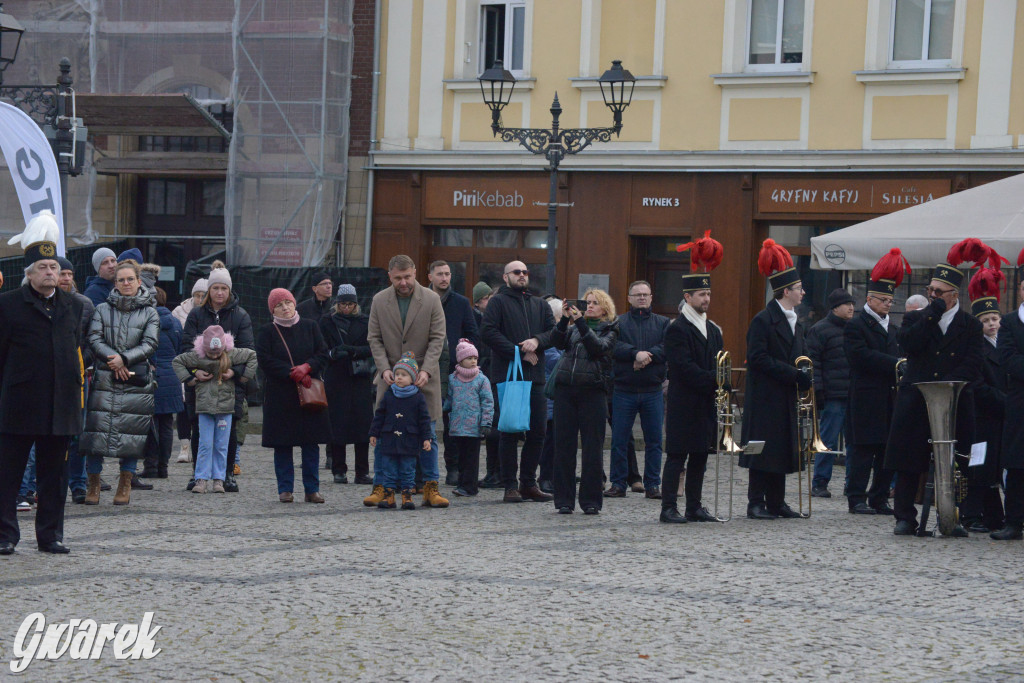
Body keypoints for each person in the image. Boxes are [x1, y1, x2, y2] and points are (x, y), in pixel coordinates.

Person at [885, 242, 984, 537]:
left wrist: (946, 386)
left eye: (939, 292)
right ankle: (905, 516)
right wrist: (932, 314)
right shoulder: (916, 317)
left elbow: (973, 363)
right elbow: (909, 344)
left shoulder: (970, 325)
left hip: (953, 400)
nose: (933, 295)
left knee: (957, 461)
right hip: (917, 398)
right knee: (908, 459)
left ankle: (952, 516)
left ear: (954, 295)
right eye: (930, 290)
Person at [0, 213, 84, 555]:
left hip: (60, 405)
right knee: (7, 475)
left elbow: (75, 348)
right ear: (30, 273)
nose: (51, 272)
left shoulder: (74, 306)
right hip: (18, 405)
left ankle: (50, 536)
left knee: (55, 477)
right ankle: (5, 535)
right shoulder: (7, 305)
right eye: (43, 267)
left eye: (54, 267)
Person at [364, 255, 449, 508]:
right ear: (390, 276)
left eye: (408, 277)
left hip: (424, 380)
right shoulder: (379, 300)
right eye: (398, 278)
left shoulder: (431, 299)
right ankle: (381, 487)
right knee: (383, 436)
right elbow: (374, 338)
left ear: (415, 273)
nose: (403, 282)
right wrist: (383, 368)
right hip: (390, 378)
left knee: (429, 436)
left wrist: (427, 370)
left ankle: (430, 488)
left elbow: (438, 338)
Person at [80, 259, 160, 506]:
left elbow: (150, 343)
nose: (126, 283)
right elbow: (94, 338)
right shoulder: (102, 309)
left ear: (138, 281)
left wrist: (125, 359)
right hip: (105, 377)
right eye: (121, 280)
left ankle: (125, 482)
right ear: (115, 283)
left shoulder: (150, 312)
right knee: (96, 433)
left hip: (135, 380)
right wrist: (113, 359)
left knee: (131, 434)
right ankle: (93, 482)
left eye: (130, 279)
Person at [740, 239, 810, 520]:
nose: (803, 292)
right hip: (765, 396)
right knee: (762, 450)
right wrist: (793, 374)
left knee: (781, 449)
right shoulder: (763, 320)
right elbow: (757, 358)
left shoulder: (797, 323)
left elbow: (801, 356)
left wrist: (806, 374)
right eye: (799, 288)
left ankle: (777, 502)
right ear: (786, 291)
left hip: (785, 396)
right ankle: (755, 502)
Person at [480, 261, 557, 503]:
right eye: (516, 272)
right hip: (508, 375)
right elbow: (488, 332)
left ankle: (528, 483)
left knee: (538, 432)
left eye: (525, 272)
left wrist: (537, 340)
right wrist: (518, 350)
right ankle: (510, 485)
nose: (522, 275)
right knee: (510, 431)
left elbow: (553, 332)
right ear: (506, 277)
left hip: (536, 377)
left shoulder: (540, 304)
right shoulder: (498, 302)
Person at [662, 233, 725, 524]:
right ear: (688, 297)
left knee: (701, 456)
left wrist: (723, 379)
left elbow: (719, 362)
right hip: (683, 402)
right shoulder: (678, 328)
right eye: (701, 294)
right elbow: (682, 367)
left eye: (708, 294)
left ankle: (694, 506)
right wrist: (715, 379)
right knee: (677, 457)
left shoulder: (712, 329)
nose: (706, 299)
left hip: (705, 403)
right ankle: (668, 508)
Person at [844, 249, 905, 516]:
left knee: (886, 451)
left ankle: (879, 497)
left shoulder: (893, 328)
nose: (888, 304)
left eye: (891, 300)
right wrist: (895, 363)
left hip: (890, 397)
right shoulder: (857, 325)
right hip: (866, 397)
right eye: (883, 299)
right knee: (863, 450)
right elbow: (860, 356)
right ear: (869, 299)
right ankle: (856, 497)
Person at [182, 266, 254, 492]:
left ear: (229, 290)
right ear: (209, 290)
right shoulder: (196, 315)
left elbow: (248, 349)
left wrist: (235, 372)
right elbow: (185, 348)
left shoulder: (240, 315)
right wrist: (194, 372)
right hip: (202, 384)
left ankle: (226, 474)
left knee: (229, 431)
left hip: (229, 384)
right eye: (215, 288)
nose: (220, 292)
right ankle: (198, 474)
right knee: (199, 429)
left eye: (224, 288)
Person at [256, 288, 332, 503]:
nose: (285, 308)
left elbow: (322, 353)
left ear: (294, 303)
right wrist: (291, 372)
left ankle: (312, 489)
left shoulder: (310, 326)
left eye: (288, 302)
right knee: (283, 444)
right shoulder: (267, 331)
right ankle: (285, 489)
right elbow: (264, 360)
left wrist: (307, 367)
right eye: (279, 305)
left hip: (309, 393)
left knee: (311, 443)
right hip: (281, 395)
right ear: (272, 310)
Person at [548, 289, 618, 514]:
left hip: (593, 392)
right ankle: (564, 500)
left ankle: (590, 501)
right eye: (587, 302)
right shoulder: (573, 328)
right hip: (566, 391)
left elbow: (598, 348)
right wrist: (564, 320)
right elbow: (556, 342)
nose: (590, 306)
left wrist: (580, 323)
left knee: (592, 449)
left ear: (605, 308)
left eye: (595, 303)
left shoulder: (611, 329)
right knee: (563, 447)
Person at [174, 325, 257, 494]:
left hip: (225, 408)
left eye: (217, 353)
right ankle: (201, 478)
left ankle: (219, 478)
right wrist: (191, 377)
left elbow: (252, 356)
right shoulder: (197, 356)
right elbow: (177, 362)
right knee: (204, 444)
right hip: (204, 407)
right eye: (210, 353)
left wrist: (239, 376)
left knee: (221, 445)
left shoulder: (232, 354)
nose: (213, 356)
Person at [608, 280, 669, 499]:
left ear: (651, 297)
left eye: (645, 294)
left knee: (654, 441)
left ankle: (653, 484)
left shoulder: (663, 323)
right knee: (619, 440)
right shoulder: (618, 322)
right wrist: (635, 353)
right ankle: (618, 483)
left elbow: (667, 347)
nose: (642, 297)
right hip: (624, 389)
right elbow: (613, 346)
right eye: (637, 294)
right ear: (629, 298)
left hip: (653, 390)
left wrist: (645, 357)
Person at [960, 266, 1007, 532]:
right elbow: (977, 386)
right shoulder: (975, 348)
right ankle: (971, 514)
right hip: (982, 417)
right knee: (979, 466)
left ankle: (994, 515)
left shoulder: (1006, 345)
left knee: (996, 468)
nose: (991, 324)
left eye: (994, 318)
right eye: (985, 320)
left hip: (1002, 417)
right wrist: (1005, 401)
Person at [427, 261, 479, 486]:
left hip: (454, 371)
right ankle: (421, 470)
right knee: (425, 419)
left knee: (453, 422)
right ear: (430, 276)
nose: (444, 278)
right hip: (427, 368)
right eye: (440, 274)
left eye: (447, 274)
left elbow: (473, 333)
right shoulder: (422, 300)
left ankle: (454, 468)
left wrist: (462, 351)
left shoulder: (460, 302)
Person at [320, 284, 374, 485]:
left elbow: (373, 347)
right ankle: (338, 470)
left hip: (359, 376)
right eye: (343, 304)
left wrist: (353, 350)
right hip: (336, 377)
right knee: (337, 425)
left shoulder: (366, 321)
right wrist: (332, 353)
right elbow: (320, 347)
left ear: (356, 304)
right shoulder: (327, 321)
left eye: (350, 304)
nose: (346, 308)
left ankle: (362, 471)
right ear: (337, 303)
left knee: (363, 426)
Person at [804, 288, 854, 498]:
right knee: (827, 440)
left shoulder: (854, 328)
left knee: (854, 443)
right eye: (846, 304)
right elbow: (813, 363)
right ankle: (820, 482)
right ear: (835, 308)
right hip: (833, 394)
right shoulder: (820, 330)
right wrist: (818, 391)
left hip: (853, 393)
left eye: (852, 304)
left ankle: (852, 484)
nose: (851, 308)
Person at [369, 353, 433, 510]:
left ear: (412, 378)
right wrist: (374, 433)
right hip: (390, 438)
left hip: (409, 440)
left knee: (408, 469)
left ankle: (407, 496)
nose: (399, 377)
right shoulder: (389, 394)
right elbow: (380, 415)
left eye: (403, 375)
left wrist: (426, 437)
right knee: (388, 469)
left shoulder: (418, 397)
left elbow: (424, 419)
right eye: (397, 374)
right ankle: (389, 496)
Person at [56, 256, 94, 504]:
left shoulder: (84, 304)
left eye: (70, 274)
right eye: (63, 273)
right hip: (50, 377)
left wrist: (80, 361)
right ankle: (36, 485)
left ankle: (78, 483)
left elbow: (93, 340)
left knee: (78, 432)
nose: (66, 278)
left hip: (79, 376)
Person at [992, 249, 1024, 540]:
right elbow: (1008, 359)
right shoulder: (1010, 323)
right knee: (1017, 465)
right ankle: (1013, 522)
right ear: (1021, 288)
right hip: (1020, 403)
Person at [142, 286, 184, 479]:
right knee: (167, 425)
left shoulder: (146, 321)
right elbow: (180, 349)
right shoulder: (175, 322)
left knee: (150, 425)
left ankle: (150, 466)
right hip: (172, 377)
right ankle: (163, 467)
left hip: (153, 376)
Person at [445, 339, 493, 497]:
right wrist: (445, 411)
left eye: (475, 358)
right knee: (460, 457)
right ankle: (461, 484)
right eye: (469, 358)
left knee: (471, 458)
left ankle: (470, 486)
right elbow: (449, 400)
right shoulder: (453, 379)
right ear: (460, 360)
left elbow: (488, 402)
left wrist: (486, 422)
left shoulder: (482, 380)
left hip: (474, 427)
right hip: (457, 426)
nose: (473, 361)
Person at [471, 281, 502, 489]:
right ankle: (494, 472)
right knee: (492, 425)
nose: (489, 302)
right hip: (486, 374)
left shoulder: (495, 320)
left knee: (496, 425)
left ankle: (496, 473)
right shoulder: (478, 321)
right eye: (486, 298)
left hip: (495, 375)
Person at [172, 278, 207, 463]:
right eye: (197, 295)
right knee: (183, 407)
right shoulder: (179, 312)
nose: (200, 299)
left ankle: (200, 447)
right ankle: (184, 446)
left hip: (205, 364)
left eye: (203, 295)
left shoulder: (211, 313)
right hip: (185, 362)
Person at [538, 297, 564, 494]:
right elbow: (556, 361)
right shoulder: (548, 337)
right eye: (562, 317)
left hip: (561, 397)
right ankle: (545, 477)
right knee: (549, 442)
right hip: (550, 398)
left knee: (559, 442)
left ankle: (556, 476)